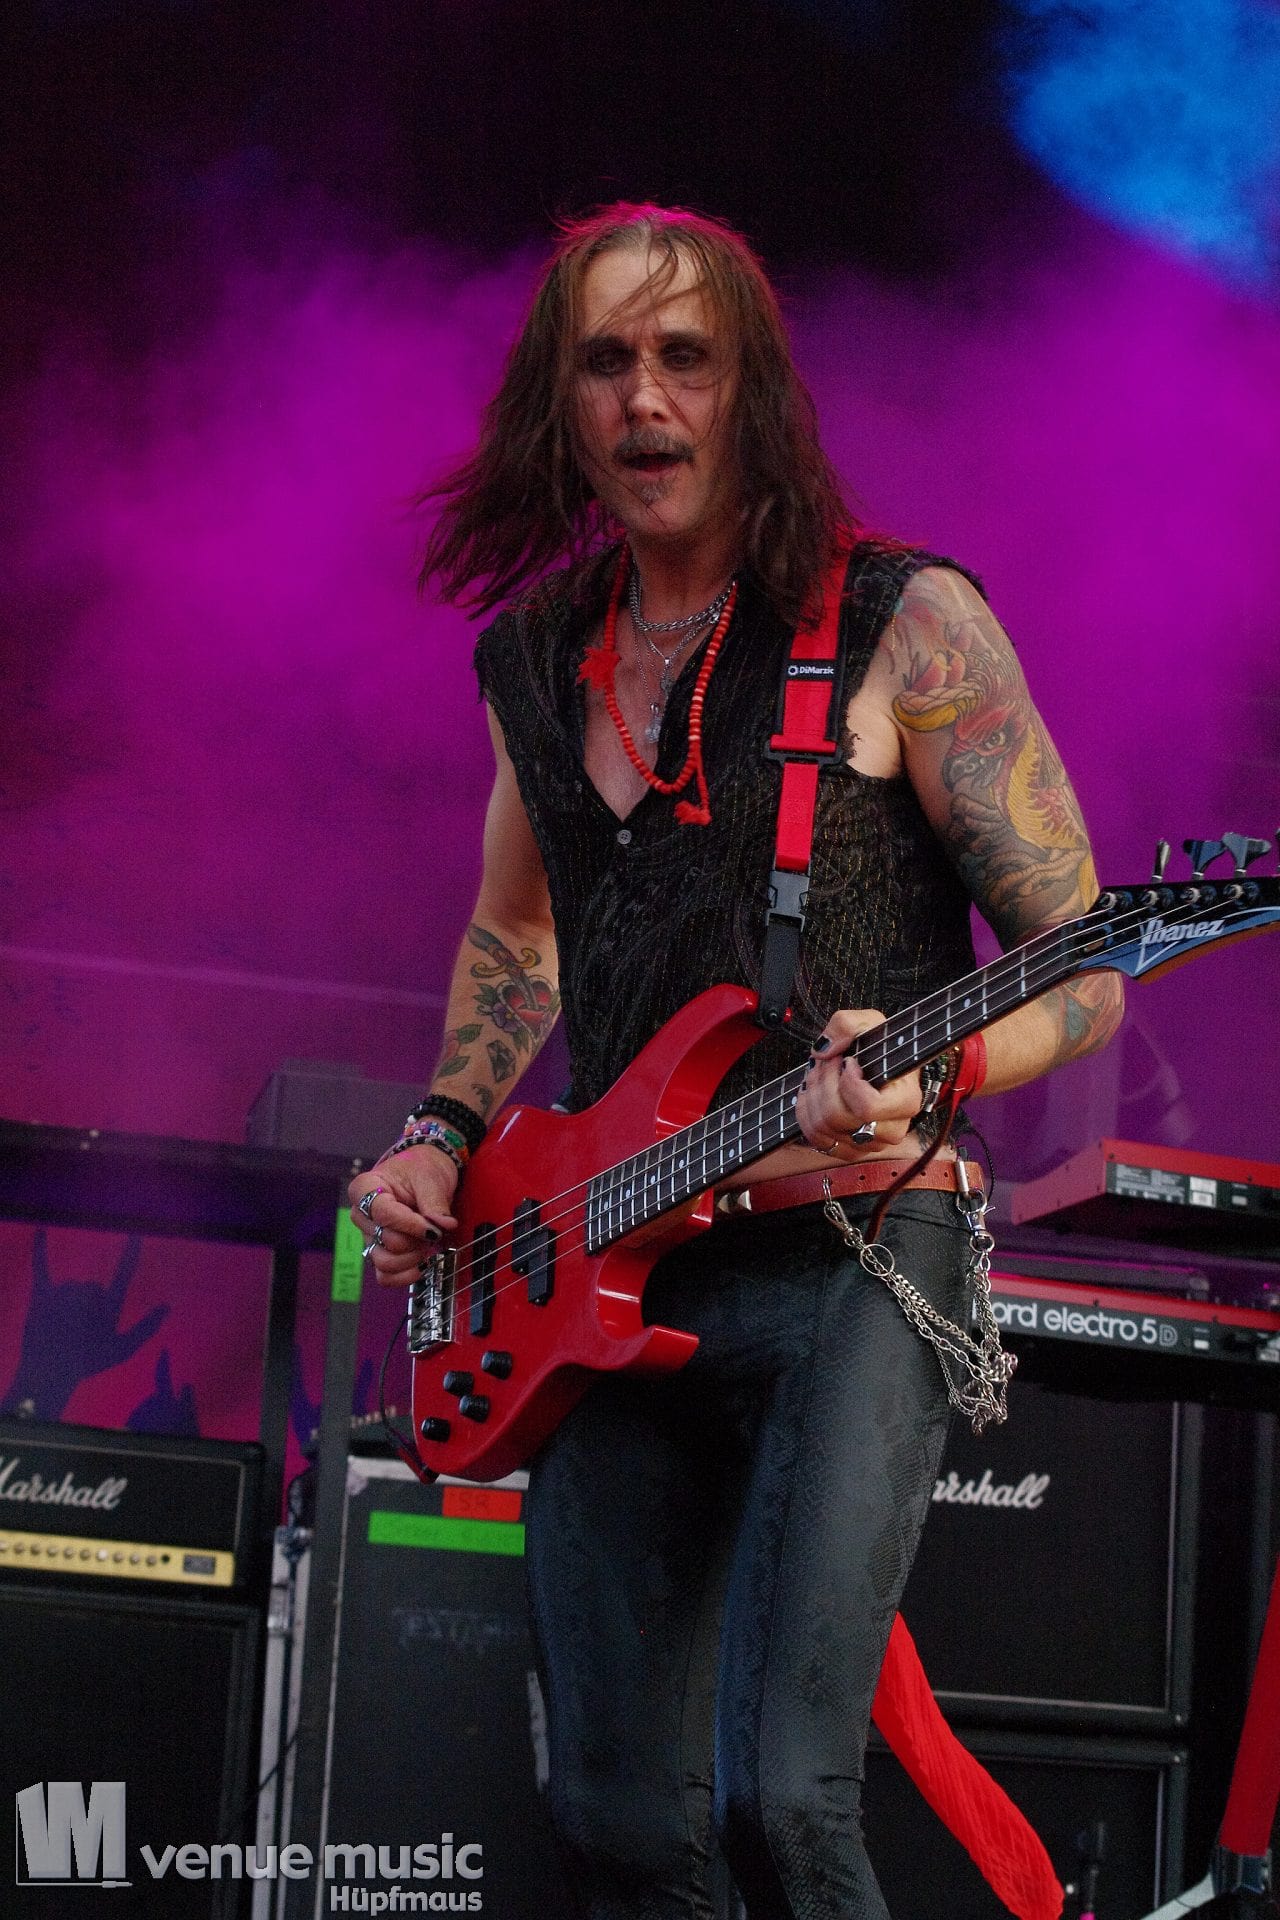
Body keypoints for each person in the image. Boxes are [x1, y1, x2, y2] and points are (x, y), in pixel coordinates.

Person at [349, 203, 1125, 1920]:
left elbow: (1087, 966)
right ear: (560, 404)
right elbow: (517, 931)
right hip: (606, 1272)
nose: (646, 398)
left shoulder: (905, 622)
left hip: (853, 1247)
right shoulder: (535, 661)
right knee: (616, 1823)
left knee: (783, 1801)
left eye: (684, 358)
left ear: (749, 388)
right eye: (607, 362)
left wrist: (940, 1072)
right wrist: (443, 1128)